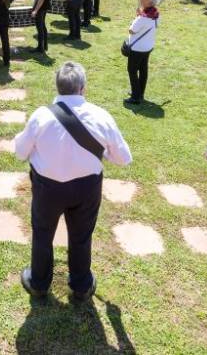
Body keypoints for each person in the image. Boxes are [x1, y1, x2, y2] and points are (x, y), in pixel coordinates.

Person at [14, 62, 132, 300]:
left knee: (43, 233)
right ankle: (80, 285)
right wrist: (104, 154)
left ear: (57, 88)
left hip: (47, 188)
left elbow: (19, 152)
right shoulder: (101, 116)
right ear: (83, 88)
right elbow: (123, 158)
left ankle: (39, 283)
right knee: (81, 235)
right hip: (87, 188)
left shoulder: (41, 116)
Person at [125, 0, 159, 105]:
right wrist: (140, 14)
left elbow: (132, 30)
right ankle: (140, 93)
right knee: (143, 70)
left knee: (132, 70)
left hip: (137, 48)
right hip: (148, 46)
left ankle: (135, 97)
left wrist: (136, 17)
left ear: (148, 2)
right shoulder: (156, 14)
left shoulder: (142, 18)